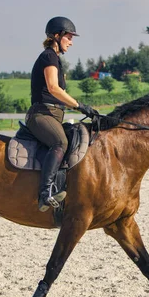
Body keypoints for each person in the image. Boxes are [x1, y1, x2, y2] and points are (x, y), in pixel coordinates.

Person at [26, 16, 99, 212]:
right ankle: (45, 193)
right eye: (69, 37)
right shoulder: (49, 56)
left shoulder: (55, 59)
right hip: (41, 115)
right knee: (61, 143)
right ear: (56, 36)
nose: (71, 42)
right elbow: (53, 88)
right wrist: (80, 106)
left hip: (53, 115)